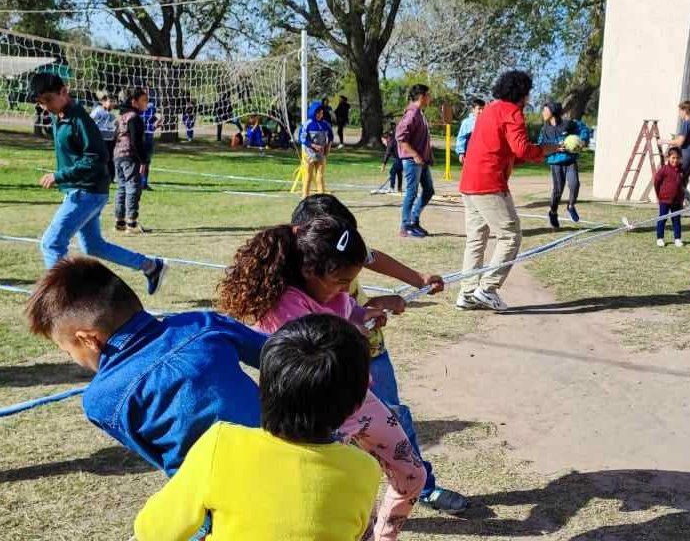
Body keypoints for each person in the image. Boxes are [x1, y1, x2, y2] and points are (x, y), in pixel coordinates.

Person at [217, 217, 425, 540]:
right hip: (317, 416)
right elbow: (316, 361)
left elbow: (348, 309)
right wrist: (354, 333)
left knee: (412, 474)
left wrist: (366, 314)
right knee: (347, 501)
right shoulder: (283, 310)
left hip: (356, 399)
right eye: (341, 281)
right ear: (310, 271)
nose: (345, 289)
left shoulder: (331, 294)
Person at [289, 194, 468, 514]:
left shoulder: (343, 248)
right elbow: (310, 333)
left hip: (370, 353)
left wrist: (416, 280)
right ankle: (336, 507)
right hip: (328, 371)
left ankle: (419, 486)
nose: (345, 284)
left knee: (395, 416)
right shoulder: (294, 285)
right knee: (333, 438)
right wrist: (371, 308)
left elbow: (373, 260)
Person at [133, 314, 381, 541]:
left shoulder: (220, 444)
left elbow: (153, 531)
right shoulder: (365, 468)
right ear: (355, 405)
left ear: (264, 389)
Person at [24, 257, 263, 476]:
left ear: (89, 339)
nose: (72, 357)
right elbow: (278, 355)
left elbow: (160, 459)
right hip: (284, 453)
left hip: (211, 499)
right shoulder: (203, 324)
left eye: (68, 350)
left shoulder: (101, 400)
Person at [30, 73, 166, 294]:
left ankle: (63, 299)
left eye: (48, 100)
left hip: (87, 192)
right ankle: (151, 266)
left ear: (64, 92)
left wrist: (60, 176)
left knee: (52, 243)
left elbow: (97, 158)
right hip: (82, 190)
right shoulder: (60, 115)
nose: (45, 107)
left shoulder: (80, 120)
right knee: (93, 245)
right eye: (41, 103)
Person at [456, 71, 558, 311]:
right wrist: (546, 150)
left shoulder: (490, 109)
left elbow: (505, 150)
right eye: (528, 92)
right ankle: (487, 288)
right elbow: (521, 149)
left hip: (469, 181)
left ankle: (467, 293)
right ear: (521, 92)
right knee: (511, 235)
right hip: (488, 183)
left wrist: (541, 152)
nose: (529, 96)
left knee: (476, 239)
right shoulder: (512, 112)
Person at [396, 84, 435, 238]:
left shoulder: (420, 113)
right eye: (428, 95)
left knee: (429, 190)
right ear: (421, 96)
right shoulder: (412, 113)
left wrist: (426, 156)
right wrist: (415, 155)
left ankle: (414, 220)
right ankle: (405, 226)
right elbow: (401, 137)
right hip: (412, 161)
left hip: (422, 161)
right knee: (411, 193)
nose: (430, 98)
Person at [113, 87, 151, 234]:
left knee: (122, 187)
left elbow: (115, 137)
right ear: (134, 102)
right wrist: (143, 160)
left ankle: (120, 222)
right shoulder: (134, 118)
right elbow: (136, 142)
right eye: (144, 101)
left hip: (118, 155)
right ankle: (132, 223)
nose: (146, 104)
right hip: (129, 156)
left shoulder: (121, 116)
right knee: (132, 187)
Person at [541, 101, 582, 228]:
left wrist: (582, 141)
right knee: (558, 191)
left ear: (552, 112)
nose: (542, 112)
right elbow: (541, 144)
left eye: (545, 110)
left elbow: (582, 129)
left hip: (570, 160)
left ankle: (570, 206)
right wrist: (555, 147)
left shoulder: (568, 124)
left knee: (575, 184)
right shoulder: (544, 129)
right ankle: (553, 212)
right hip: (556, 162)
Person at [663, 100, 690, 204]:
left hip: (686, 157)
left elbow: (679, 142)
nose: (679, 113)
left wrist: (664, 141)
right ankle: (678, 205)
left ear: (685, 110)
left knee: (676, 182)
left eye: (680, 111)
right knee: (683, 182)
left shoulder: (686, 123)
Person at [297, 100, 333, 197]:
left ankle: (321, 197)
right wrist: (313, 145)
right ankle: (305, 197)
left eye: (321, 113)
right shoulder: (307, 124)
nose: (320, 115)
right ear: (313, 112)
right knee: (308, 175)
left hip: (321, 154)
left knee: (320, 176)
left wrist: (328, 148)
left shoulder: (325, 124)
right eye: (318, 113)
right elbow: (301, 138)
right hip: (309, 153)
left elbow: (331, 136)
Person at [654, 147, 686, 247]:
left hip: (676, 201)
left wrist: (681, 199)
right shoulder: (664, 169)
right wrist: (659, 195)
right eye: (673, 158)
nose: (675, 160)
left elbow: (682, 186)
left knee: (676, 219)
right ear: (668, 158)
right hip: (664, 200)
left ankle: (677, 238)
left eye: (677, 158)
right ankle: (660, 238)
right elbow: (656, 182)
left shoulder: (681, 171)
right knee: (662, 219)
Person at [90, 94, 117, 167]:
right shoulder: (98, 111)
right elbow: (90, 122)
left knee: (110, 161)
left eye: (113, 102)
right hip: (100, 140)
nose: (112, 103)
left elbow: (114, 126)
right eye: (110, 101)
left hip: (110, 141)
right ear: (103, 102)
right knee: (101, 161)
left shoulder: (112, 114)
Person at [455, 98, 484, 163]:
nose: (481, 111)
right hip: (469, 155)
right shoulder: (467, 122)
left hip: (482, 155)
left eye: (483, 109)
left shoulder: (486, 122)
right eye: (479, 109)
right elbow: (461, 137)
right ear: (473, 110)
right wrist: (461, 153)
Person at [140, 90, 157, 190]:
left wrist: (156, 124)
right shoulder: (137, 107)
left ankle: (143, 183)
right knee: (141, 161)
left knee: (146, 161)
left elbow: (152, 122)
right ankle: (141, 183)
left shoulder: (151, 107)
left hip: (148, 136)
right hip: (140, 136)